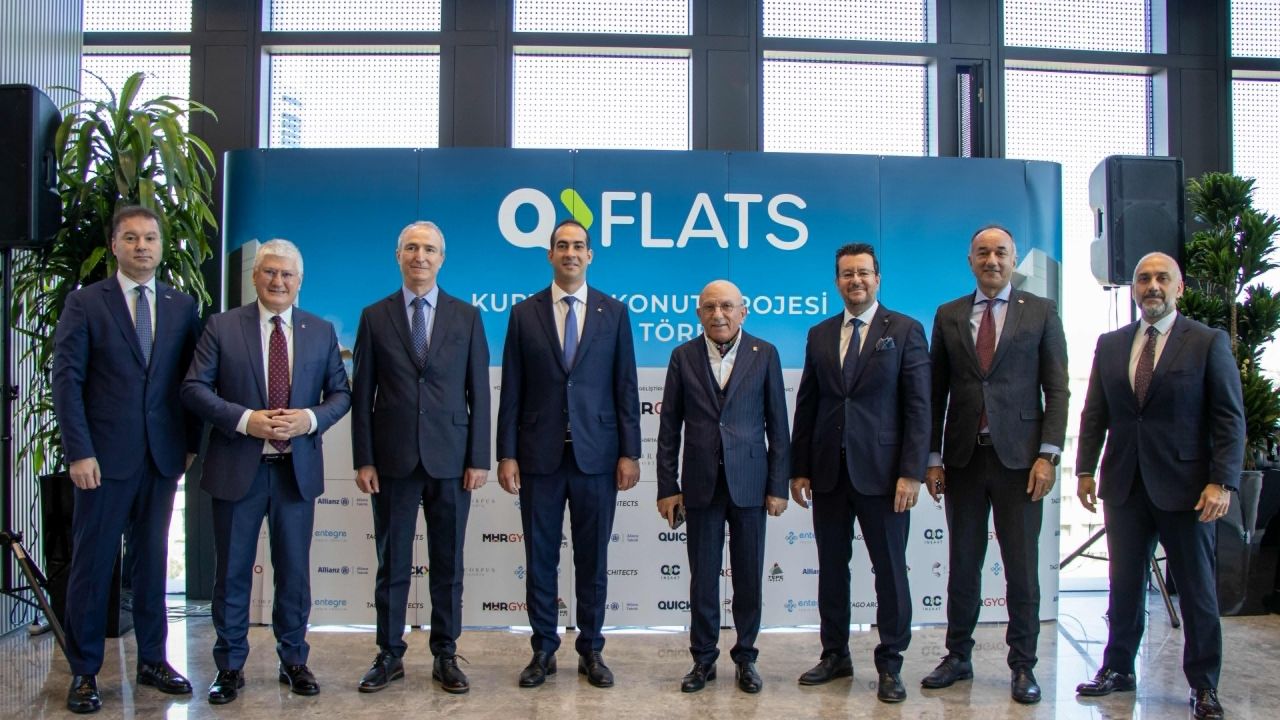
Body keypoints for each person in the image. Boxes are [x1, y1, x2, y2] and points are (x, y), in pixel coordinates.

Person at [1074, 251, 1243, 720]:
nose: (1152, 286)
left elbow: (1229, 419)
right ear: (1133, 289)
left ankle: (1204, 685)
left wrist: (1222, 482)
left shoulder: (1207, 342)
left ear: (1179, 288)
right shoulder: (1111, 344)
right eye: (1144, 278)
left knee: (1196, 589)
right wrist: (1085, 469)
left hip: (1189, 490)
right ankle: (1117, 669)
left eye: (1162, 278)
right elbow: (1095, 413)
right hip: (1124, 485)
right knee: (1124, 584)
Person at [181, 239, 350, 704]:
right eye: (270, 272)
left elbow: (341, 394)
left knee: (294, 573)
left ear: (300, 282)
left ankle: (294, 660)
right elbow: (194, 388)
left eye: (287, 275)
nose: (278, 281)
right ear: (255, 277)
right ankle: (229, 666)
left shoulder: (319, 331)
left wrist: (309, 419)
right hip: (239, 467)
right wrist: (245, 420)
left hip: (296, 471)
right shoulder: (222, 327)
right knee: (232, 573)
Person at [52, 205, 202, 714]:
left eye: (150, 238)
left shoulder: (181, 306)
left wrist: (189, 443)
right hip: (101, 460)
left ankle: (153, 661)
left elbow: (191, 382)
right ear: (114, 245)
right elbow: (67, 380)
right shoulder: (85, 303)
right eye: (131, 238)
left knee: (153, 563)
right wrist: (79, 451)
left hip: (161, 457)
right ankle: (85, 671)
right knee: (93, 565)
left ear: (160, 246)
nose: (142, 247)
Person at [921, 224, 1068, 704]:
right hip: (963, 459)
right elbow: (934, 392)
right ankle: (957, 656)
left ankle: (1023, 665)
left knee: (1021, 569)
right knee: (963, 565)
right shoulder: (948, 314)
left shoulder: (1041, 311)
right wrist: (932, 457)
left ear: (1013, 259)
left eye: (1000, 252)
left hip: (1021, 463)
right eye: (982, 253)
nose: (992, 260)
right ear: (970, 261)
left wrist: (1048, 455)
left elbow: (1057, 389)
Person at [496, 219, 641, 689]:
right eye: (562, 245)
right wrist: (506, 454)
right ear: (550, 255)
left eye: (579, 246)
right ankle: (543, 649)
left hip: (597, 458)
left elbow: (625, 387)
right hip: (538, 458)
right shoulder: (524, 314)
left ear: (590, 255)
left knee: (592, 559)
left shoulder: (613, 313)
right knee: (540, 559)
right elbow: (512, 390)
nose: (571, 253)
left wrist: (630, 452)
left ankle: (591, 649)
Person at [350, 221, 490, 694]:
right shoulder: (374, 316)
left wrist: (479, 458)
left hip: (452, 460)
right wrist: (364, 459)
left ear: (441, 258)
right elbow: (362, 394)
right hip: (392, 461)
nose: (420, 256)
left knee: (447, 564)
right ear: (398, 255)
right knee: (392, 563)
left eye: (429, 249)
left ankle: (445, 653)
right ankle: (389, 653)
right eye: (411, 247)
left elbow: (479, 393)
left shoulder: (466, 317)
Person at [790, 243, 930, 703]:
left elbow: (919, 407)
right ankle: (835, 654)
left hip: (885, 477)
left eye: (864, 273)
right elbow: (808, 404)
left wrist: (911, 472)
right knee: (832, 570)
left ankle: (891, 662)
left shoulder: (905, 330)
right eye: (848, 274)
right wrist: (799, 468)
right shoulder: (819, 334)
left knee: (889, 570)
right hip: (829, 473)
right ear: (837, 282)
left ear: (877, 278)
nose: (856, 281)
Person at [655, 280, 790, 695]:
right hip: (700, 485)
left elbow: (778, 427)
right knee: (703, 579)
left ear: (742, 312)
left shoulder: (765, 354)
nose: (719, 314)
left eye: (727, 306)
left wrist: (778, 486)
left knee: (748, 576)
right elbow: (668, 428)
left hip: (750, 483)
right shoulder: (682, 356)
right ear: (699, 313)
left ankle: (746, 658)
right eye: (710, 307)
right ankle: (703, 659)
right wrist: (667, 486)